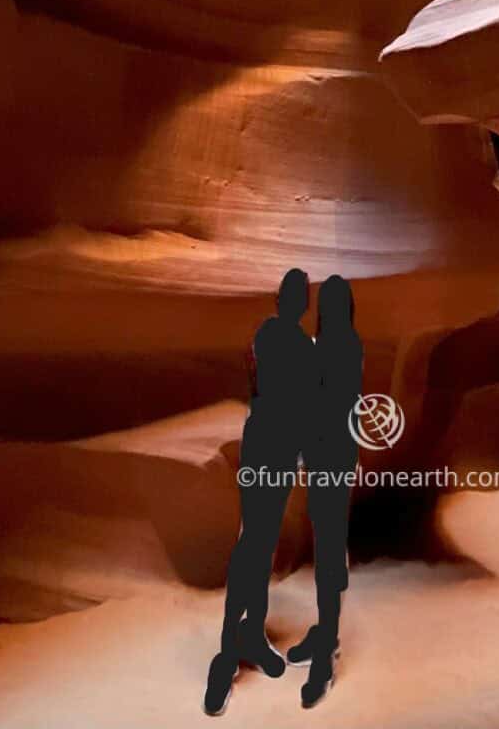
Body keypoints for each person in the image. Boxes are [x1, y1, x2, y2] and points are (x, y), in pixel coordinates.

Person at [204, 267, 316, 716]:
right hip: (266, 445)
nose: (295, 304)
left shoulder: (293, 342)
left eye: (299, 298)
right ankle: (227, 649)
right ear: (281, 302)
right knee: (252, 542)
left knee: (264, 544)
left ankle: (252, 635)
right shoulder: (271, 338)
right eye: (290, 297)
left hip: (283, 448)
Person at [288, 274, 363, 708]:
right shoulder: (340, 345)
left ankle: (326, 654)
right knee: (327, 548)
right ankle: (323, 631)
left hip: (330, 460)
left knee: (329, 554)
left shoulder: (339, 348)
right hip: (328, 460)